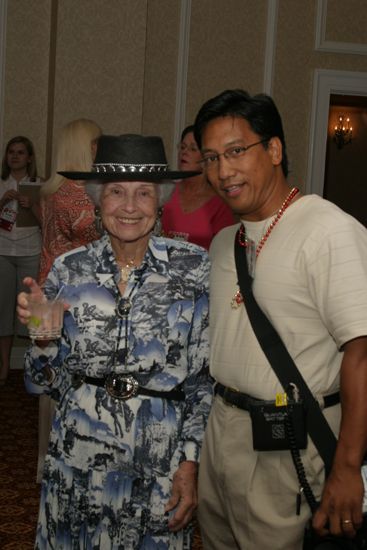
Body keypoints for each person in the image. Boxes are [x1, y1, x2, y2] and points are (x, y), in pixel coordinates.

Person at [17, 133, 212, 549]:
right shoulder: (69, 270)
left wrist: (190, 464)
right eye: (116, 193)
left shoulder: (193, 269)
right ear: (96, 200)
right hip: (76, 465)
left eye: (143, 193)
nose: (129, 206)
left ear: (160, 201)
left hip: (158, 468)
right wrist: (43, 340)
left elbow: (202, 381)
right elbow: (39, 382)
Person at [193, 89, 367, 549]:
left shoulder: (327, 229)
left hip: (289, 441)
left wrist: (348, 468)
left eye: (235, 152)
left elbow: (363, 354)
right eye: (210, 158)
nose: (222, 171)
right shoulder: (224, 242)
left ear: (274, 150)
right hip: (222, 431)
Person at [35, 118, 103, 483]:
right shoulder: (81, 195)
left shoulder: (48, 191)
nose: (100, 149)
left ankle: (45, 458)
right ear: (83, 148)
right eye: (96, 143)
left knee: (47, 381)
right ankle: (68, 460)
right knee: (74, 382)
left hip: (43, 294)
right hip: (74, 300)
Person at [0, 136, 42, 384]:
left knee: (29, 314)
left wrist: (32, 204)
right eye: (11, 152)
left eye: (20, 152)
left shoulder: (39, 184)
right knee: (3, 311)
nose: (14, 156)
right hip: (3, 252)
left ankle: (31, 365)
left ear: (29, 158)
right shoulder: (1, 182)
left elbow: (48, 222)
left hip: (30, 252)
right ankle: (4, 365)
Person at [162, 125, 234, 249]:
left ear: (207, 157)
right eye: (183, 147)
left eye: (193, 149)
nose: (184, 152)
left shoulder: (221, 203)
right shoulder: (165, 191)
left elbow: (224, 251)